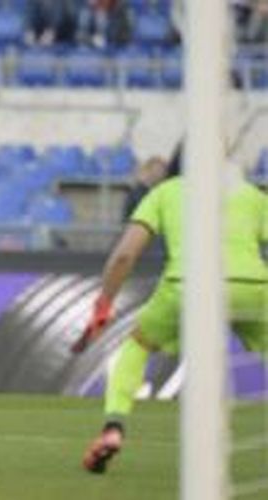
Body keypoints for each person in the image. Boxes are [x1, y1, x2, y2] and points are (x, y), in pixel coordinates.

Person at [70, 162, 268, 473]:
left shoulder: (166, 192)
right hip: (252, 287)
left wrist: (104, 303)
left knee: (136, 346)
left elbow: (125, 254)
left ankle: (113, 427)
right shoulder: (251, 195)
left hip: (187, 285)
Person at [121, 156, 167, 220]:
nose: (160, 174)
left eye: (162, 171)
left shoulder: (160, 191)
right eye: (157, 170)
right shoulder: (137, 193)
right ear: (148, 171)